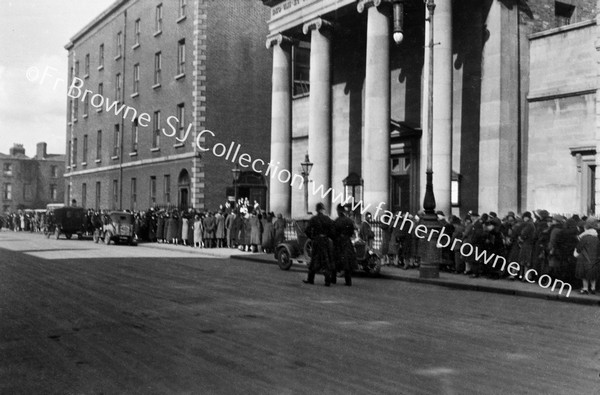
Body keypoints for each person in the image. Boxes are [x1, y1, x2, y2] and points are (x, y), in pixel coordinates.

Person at [303, 202, 335, 286]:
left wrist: (312, 237)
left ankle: (311, 279)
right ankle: (327, 281)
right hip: (325, 241)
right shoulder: (327, 219)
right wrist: (328, 236)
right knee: (326, 260)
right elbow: (332, 231)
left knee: (314, 260)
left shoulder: (314, 219)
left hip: (317, 241)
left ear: (317, 210)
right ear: (322, 209)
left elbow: (307, 231)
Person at [573, 217, 600, 294]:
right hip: (594, 258)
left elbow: (579, 248)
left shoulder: (584, 237)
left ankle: (585, 289)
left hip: (584, 258)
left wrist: (576, 254)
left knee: (584, 275)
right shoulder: (596, 237)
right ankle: (593, 288)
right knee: (593, 275)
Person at [333, 204, 356, 286]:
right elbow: (351, 232)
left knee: (335, 260)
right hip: (347, 242)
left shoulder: (336, 221)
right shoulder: (349, 221)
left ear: (338, 211)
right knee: (347, 262)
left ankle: (333, 279)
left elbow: (333, 233)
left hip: (338, 242)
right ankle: (348, 281)